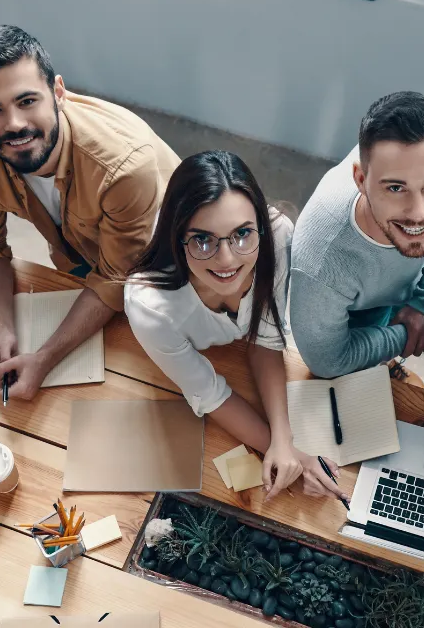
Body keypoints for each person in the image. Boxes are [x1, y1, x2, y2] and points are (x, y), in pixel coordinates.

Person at [0, 25, 179, 401]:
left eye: (26, 101)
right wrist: (3, 330)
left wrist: (44, 357)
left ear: (58, 92)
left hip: (167, 261)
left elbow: (116, 277)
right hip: (79, 253)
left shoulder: (124, 165)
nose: (15, 124)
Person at [125, 151, 347, 502]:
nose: (227, 260)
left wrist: (286, 443)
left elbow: (265, 339)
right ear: (176, 238)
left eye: (242, 233)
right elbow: (211, 393)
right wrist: (295, 458)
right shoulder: (149, 306)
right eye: (202, 240)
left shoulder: (277, 236)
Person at [290, 91, 424, 378]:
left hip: (412, 281)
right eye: (395, 188)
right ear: (361, 180)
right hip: (359, 308)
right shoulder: (320, 264)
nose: (419, 213)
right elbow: (328, 360)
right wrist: (407, 334)